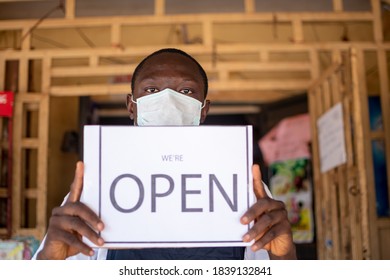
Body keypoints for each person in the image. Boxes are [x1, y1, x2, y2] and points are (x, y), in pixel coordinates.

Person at [33, 48, 296, 260]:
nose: (168, 101)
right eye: (151, 90)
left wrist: (285, 258)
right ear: (131, 106)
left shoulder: (240, 184)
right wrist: (49, 261)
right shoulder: (96, 188)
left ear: (203, 110)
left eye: (186, 91)